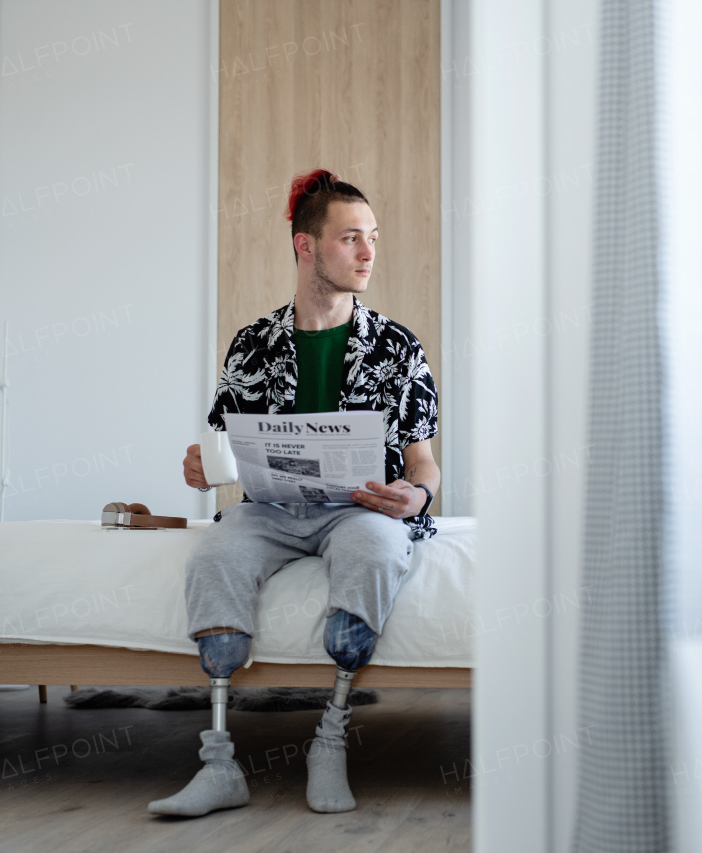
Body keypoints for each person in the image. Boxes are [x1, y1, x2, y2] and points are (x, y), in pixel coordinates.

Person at [148, 169, 440, 818]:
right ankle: (219, 763)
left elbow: (424, 462)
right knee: (215, 558)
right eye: (351, 239)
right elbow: (224, 450)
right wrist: (202, 468)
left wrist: (415, 497)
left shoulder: (398, 348)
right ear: (307, 247)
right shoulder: (251, 345)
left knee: (374, 553)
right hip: (270, 510)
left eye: (373, 239)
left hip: (358, 511)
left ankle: (329, 739)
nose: (368, 253)